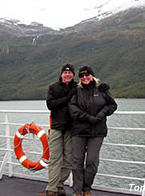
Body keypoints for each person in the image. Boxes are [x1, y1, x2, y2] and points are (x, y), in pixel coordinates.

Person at [68, 66, 117, 196]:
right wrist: (88, 117)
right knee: (77, 161)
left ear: (92, 75)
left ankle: (86, 188)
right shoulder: (76, 91)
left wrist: (102, 114)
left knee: (92, 161)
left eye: (87, 75)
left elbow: (112, 105)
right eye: (82, 76)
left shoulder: (101, 89)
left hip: (97, 131)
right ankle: (77, 191)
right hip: (79, 131)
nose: (84, 77)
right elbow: (72, 109)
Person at [39, 63, 77, 196]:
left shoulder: (77, 87)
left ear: (73, 74)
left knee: (69, 159)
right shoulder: (53, 87)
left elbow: (90, 88)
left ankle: (59, 184)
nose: (67, 75)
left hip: (72, 128)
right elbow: (51, 104)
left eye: (70, 72)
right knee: (55, 158)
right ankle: (51, 189)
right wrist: (67, 99)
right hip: (56, 127)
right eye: (65, 72)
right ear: (61, 74)